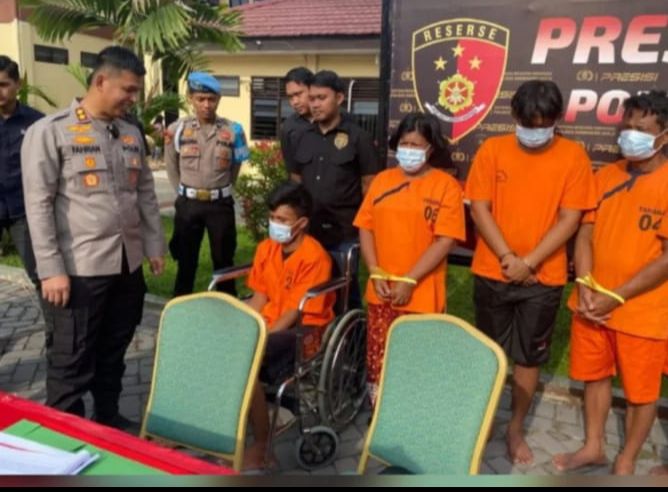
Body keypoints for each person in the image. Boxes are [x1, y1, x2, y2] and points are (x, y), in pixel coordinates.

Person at [21, 46, 166, 430]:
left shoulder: (130, 132)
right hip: (79, 270)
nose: (133, 99)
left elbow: (145, 193)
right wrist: (50, 270)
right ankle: (65, 437)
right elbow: (38, 205)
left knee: (114, 351)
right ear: (101, 81)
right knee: (71, 360)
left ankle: (107, 420)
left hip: (126, 265)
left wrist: (154, 246)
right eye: (128, 90)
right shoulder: (50, 131)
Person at [465, 80, 596, 465]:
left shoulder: (573, 156)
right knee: (487, 352)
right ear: (514, 116)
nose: (534, 131)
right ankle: (482, 418)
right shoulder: (492, 149)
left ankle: (515, 427)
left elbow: (570, 218)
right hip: (493, 269)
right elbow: (479, 208)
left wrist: (530, 262)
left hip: (543, 277)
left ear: (556, 119)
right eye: (527, 123)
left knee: (528, 358)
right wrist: (508, 257)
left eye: (543, 124)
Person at [552, 90, 668, 475]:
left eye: (642, 129)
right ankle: (593, 447)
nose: (630, 134)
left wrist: (616, 296)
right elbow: (585, 233)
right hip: (591, 306)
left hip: (642, 313)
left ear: (664, 136)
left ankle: (626, 460)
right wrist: (585, 283)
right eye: (627, 126)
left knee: (641, 392)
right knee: (595, 376)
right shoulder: (605, 176)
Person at [354, 112, 465, 404]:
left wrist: (410, 280)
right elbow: (365, 227)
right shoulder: (382, 180)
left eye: (416, 145)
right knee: (379, 358)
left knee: (416, 362)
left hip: (421, 293)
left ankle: (410, 413)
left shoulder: (446, 186)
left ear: (431, 148)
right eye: (404, 143)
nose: (409, 150)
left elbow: (446, 240)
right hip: (381, 290)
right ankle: (378, 414)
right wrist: (374, 271)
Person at [243, 181, 335, 469]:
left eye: (282, 219)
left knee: (245, 359)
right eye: (272, 217)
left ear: (302, 223)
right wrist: (241, 324)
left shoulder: (315, 257)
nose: (275, 224)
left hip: (303, 329)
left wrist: (259, 337)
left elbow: (295, 312)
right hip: (271, 321)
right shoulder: (266, 249)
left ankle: (262, 446)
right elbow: (259, 296)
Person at [291, 70, 381, 309]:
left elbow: (370, 185)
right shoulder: (302, 137)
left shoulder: (358, 137)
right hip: (308, 231)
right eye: (312, 98)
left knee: (344, 291)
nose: (315, 104)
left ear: (339, 98)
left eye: (322, 98)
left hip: (344, 233)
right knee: (308, 289)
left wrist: (364, 229)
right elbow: (296, 181)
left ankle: (352, 331)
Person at [165, 71, 249, 296]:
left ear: (218, 100)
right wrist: (183, 193)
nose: (206, 105)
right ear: (190, 98)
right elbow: (171, 166)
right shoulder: (176, 130)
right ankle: (181, 305)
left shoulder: (233, 130)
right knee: (186, 261)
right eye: (200, 99)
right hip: (188, 204)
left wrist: (222, 189)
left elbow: (236, 166)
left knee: (224, 261)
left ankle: (226, 305)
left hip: (220, 205)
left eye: (211, 99)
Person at [0, 55, 43, 285]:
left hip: (24, 210)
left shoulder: (37, 123)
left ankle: (53, 311)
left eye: (3, 84)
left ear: (18, 84)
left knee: (41, 274)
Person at [280, 66, 314, 181]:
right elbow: (294, 173)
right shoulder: (288, 127)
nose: (295, 102)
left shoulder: (336, 119)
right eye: (290, 97)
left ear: (312, 89)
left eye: (298, 94)